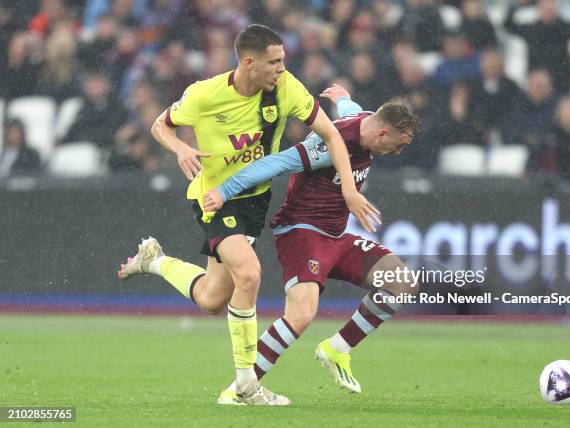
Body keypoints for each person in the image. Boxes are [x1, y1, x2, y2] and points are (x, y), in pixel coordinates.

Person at [116, 24, 378, 406]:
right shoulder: (204, 94)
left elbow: (334, 134)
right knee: (250, 273)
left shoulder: (286, 88)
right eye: (275, 61)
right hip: (214, 198)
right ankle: (246, 387)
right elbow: (161, 125)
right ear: (250, 63)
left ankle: (155, 261)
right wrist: (180, 149)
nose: (282, 68)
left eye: (283, 60)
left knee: (211, 298)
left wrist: (350, 191)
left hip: (254, 201)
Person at [202, 84, 420, 403]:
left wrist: (342, 97)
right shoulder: (327, 146)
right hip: (301, 232)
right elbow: (275, 165)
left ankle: (337, 349)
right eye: (399, 145)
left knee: (400, 281)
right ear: (384, 134)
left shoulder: (363, 120)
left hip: (335, 237)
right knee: (302, 314)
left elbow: (351, 111)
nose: (397, 153)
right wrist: (225, 190)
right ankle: (239, 390)